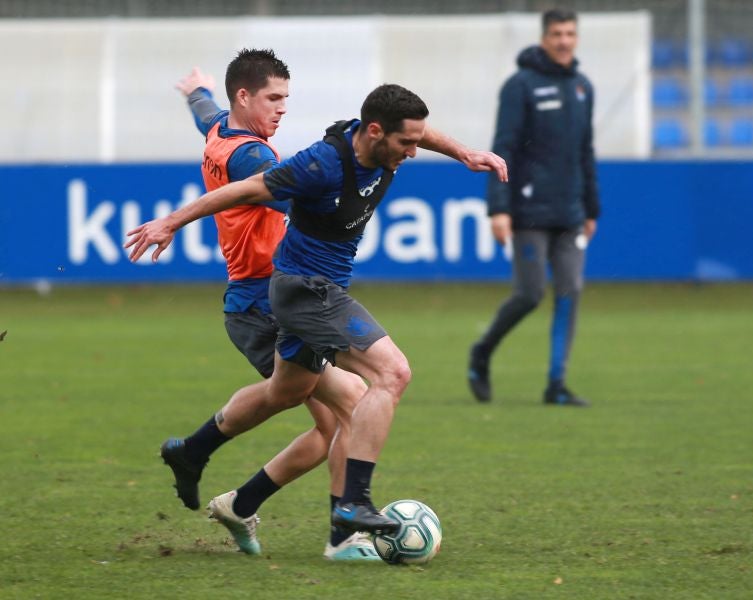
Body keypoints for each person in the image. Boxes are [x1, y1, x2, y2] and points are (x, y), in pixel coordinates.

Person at [126, 84, 507, 544]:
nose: (412, 152)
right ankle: (351, 507)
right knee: (391, 374)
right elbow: (246, 188)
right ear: (374, 131)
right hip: (307, 292)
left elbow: (417, 133)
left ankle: (206, 464)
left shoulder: (382, 140)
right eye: (405, 143)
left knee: (286, 391)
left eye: (415, 142)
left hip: (307, 290)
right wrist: (171, 221)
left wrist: (464, 153)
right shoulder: (319, 165)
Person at [165, 49, 375, 560]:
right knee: (353, 403)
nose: (282, 108)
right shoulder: (253, 159)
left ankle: (233, 496)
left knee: (332, 423)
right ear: (244, 96)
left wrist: (197, 92)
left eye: (286, 98)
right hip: (266, 301)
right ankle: (343, 537)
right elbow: (299, 196)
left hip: (262, 298)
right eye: (273, 98)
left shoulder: (222, 130)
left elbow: (206, 114)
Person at [468, 8, 600, 407]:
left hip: (571, 212)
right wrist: (499, 208)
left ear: (577, 38)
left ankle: (556, 384)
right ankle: (482, 352)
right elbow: (503, 148)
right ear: (544, 38)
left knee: (570, 291)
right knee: (529, 294)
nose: (564, 40)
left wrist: (591, 208)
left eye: (570, 33)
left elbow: (585, 151)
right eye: (557, 33)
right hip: (528, 211)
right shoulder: (520, 85)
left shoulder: (582, 87)